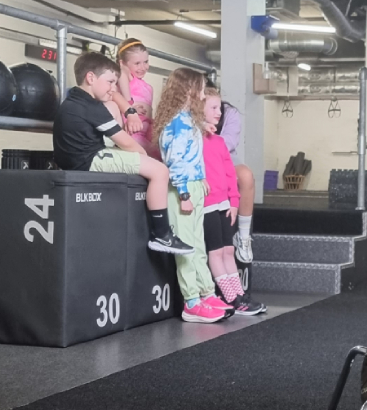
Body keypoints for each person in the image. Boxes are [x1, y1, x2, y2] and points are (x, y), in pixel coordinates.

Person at [52, 52, 193, 256]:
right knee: (160, 171)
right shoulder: (91, 107)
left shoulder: (75, 100)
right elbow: (129, 145)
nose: (112, 88)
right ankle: (162, 234)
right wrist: (144, 161)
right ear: (90, 78)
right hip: (89, 161)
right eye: (110, 82)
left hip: (78, 159)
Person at [153, 67, 233, 324]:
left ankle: (206, 293)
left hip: (195, 185)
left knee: (198, 245)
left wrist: (201, 180)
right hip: (182, 189)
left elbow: (192, 156)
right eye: (199, 87)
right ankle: (191, 302)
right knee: (186, 248)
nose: (202, 92)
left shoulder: (189, 120)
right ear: (188, 90)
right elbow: (176, 161)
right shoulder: (177, 123)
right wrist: (185, 192)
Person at [202, 88, 266, 315]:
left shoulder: (219, 142)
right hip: (207, 205)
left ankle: (238, 296)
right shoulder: (194, 140)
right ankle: (231, 298)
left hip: (223, 206)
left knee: (228, 250)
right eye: (213, 108)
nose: (219, 113)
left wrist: (234, 203)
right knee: (216, 253)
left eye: (219, 108)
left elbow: (230, 173)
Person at [206, 78, 255, 263]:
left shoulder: (230, 113)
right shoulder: (188, 115)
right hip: (200, 158)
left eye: (218, 106)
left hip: (224, 157)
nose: (217, 112)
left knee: (246, 176)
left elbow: (229, 142)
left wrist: (207, 140)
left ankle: (243, 237)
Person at [116, 38, 159, 158]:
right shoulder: (125, 78)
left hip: (148, 133)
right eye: (137, 63)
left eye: (146, 62)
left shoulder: (148, 87)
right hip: (133, 133)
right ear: (123, 63)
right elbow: (120, 72)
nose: (143, 67)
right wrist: (129, 105)